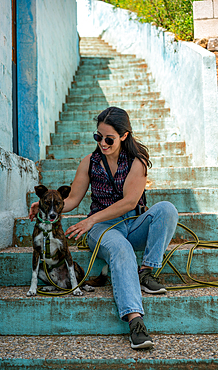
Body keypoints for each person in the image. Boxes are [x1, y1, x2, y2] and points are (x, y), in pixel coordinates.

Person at [29, 106, 178, 350]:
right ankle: (135, 322)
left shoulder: (136, 161)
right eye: (98, 137)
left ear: (124, 136)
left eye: (109, 138)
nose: (103, 143)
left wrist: (89, 220)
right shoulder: (89, 162)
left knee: (167, 210)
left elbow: (130, 201)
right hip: (103, 228)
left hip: (133, 222)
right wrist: (46, 206)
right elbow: (74, 199)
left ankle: (146, 271)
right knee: (120, 248)